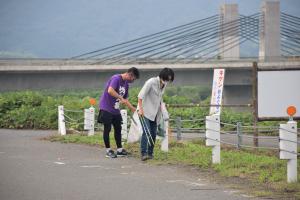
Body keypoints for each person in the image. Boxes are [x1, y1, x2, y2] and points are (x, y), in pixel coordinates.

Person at [98, 67, 139, 158]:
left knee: (118, 128)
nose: (133, 81)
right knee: (107, 129)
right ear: (130, 74)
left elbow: (125, 99)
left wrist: (133, 108)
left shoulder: (126, 84)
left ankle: (119, 150)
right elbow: (110, 90)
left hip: (115, 110)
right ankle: (108, 150)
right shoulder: (116, 78)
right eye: (133, 79)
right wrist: (120, 98)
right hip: (106, 107)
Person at [137, 67, 174, 161]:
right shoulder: (151, 82)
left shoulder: (163, 85)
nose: (167, 81)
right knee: (147, 132)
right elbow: (140, 96)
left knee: (153, 133)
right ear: (162, 76)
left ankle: (150, 153)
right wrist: (140, 110)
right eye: (166, 79)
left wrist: (164, 111)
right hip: (144, 111)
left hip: (155, 113)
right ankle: (143, 153)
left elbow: (160, 99)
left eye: (169, 80)